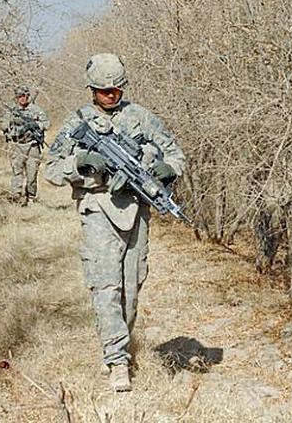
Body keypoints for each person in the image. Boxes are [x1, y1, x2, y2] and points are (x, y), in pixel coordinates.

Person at [43, 53, 185, 393]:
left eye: (116, 90)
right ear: (92, 90)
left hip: (136, 211)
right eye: (104, 91)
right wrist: (82, 164)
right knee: (106, 286)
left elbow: (175, 153)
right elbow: (51, 168)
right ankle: (117, 360)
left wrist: (169, 170)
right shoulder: (79, 121)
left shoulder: (140, 118)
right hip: (97, 210)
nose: (111, 96)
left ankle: (121, 343)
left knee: (132, 287)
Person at [0, 86, 49, 205]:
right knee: (17, 173)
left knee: (32, 174)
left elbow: (46, 123)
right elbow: (2, 124)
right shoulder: (11, 111)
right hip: (17, 145)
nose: (22, 99)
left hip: (32, 146)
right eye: (19, 97)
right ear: (16, 98)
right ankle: (16, 197)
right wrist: (12, 124)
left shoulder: (36, 110)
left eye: (24, 96)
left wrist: (35, 125)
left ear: (27, 96)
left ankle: (30, 198)